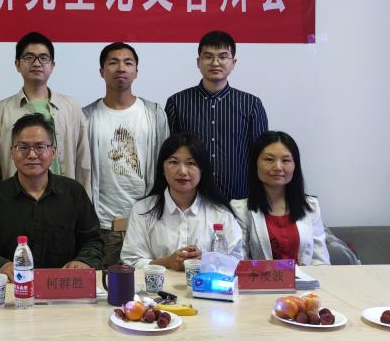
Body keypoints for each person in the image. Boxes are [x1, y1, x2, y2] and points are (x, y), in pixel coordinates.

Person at [0, 114, 103, 278]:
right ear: (12, 152)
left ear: (53, 151)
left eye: (40, 147)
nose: (32, 154)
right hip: (12, 286)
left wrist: (83, 261)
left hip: (62, 285)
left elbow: (93, 241)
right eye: (23, 147)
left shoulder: (74, 193)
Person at [83, 42, 169, 267]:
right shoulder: (87, 117)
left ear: (136, 71)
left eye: (128, 63)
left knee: (148, 285)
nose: (121, 68)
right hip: (102, 224)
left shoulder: (154, 114)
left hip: (147, 223)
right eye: (113, 62)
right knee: (103, 285)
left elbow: (166, 166)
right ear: (101, 71)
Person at [165, 30, 267, 203]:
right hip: (190, 200)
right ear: (198, 62)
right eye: (208, 57)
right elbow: (169, 156)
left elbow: (261, 155)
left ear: (233, 62)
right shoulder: (177, 103)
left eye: (223, 56)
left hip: (238, 200)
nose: (215, 62)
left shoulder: (251, 104)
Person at [121, 133, 243, 271]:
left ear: (202, 169)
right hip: (159, 286)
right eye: (174, 162)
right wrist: (166, 262)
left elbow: (237, 262)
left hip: (207, 285)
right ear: (162, 168)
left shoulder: (220, 213)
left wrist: (205, 260)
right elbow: (130, 262)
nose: (182, 171)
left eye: (191, 163)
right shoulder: (142, 210)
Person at [0, 31, 91, 194]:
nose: (37, 63)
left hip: (64, 199)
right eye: (29, 57)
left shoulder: (72, 108)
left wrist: (84, 201)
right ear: (17, 64)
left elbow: (83, 163)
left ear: (52, 65)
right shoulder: (0, 111)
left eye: (43, 58)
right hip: (15, 199)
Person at [231, 131, 329, 265]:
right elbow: (240, 261)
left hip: (305, 278)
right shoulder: (240, 210)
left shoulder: (311, 206)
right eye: (269, 159)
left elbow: (320, 260)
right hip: (260, 279)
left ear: (295, 165)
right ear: (255, 164)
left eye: (286, 160)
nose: (278, 167)